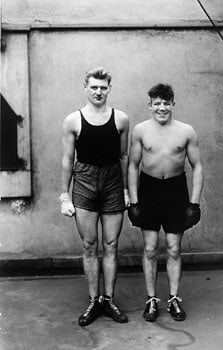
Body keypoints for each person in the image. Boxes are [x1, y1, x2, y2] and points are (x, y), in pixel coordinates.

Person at [60, 67, 130, 326]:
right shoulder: (73, 120)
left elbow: (124, 157)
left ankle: (108, 300)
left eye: (103, 87)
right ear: (85, 88)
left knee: (111, 245)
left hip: (113, 182)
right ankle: (93, 301)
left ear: (109, 88)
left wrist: (125, 190)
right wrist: (63, 196)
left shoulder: (121, 119)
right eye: (94, 87)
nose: (98, 91)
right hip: (85, 182)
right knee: (89, 245)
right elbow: (68, 159)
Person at [128, 83, 203, 322]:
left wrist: (194, 203)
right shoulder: (140, 130)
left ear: (173, 104)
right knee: (150, 248)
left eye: (166, 103)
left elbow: (197, 166)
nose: (162, 108)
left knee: (173, 248)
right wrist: (133, 201)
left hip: (175, 191)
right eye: (157, 103)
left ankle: (173, 299)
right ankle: (151, 300)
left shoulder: (186, 131)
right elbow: (132, 166)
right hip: (149, 190)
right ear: (150, 105)